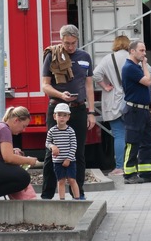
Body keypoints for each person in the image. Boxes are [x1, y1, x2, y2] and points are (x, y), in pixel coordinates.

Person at [40, 24, 96, 199]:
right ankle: (47, 195)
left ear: (77, 40)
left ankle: (78, 193)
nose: (70, 47)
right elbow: (45, 86)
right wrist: (60, 95)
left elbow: (88, 85)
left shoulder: (85, 57)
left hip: (78, 109)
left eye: (73, 43)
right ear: (61, 40)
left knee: (78, 151)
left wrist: (91, 112)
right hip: (57, 108)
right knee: (52, 151)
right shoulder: (52, 55)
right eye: (66, 43)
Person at [93, 35, 151, 176]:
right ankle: (138, 167)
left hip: (113, 100)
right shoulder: (134, 61)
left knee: (119, 135)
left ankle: (120, 167)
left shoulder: (108, 58)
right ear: (130, 47)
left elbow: (96, 74)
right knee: (136, 136)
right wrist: (142, 79)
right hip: (132, 100)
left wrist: (105, 86)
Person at [121, 40, 151, 184]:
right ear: (132, 51)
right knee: (132, 142)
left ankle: (146, 172)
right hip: (134, 110)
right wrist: (144, 64)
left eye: (144, 50)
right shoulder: (130, 67)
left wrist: (142, 64)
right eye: (141, 50)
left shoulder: (135, 66)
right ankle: (129, 173)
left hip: (143, 110)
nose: (144, 53)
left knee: (146, 142)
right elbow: (147, 81)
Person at [0, 106, 39, 199]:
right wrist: (29, 161)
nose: (23, 130)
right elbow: (8, 158)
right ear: (16, 120)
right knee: (23, 178)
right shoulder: (4, 129)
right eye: (24, 126)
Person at [46, 103, 80, 200]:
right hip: (57, 161)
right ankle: (62, 200)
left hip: (70, 161)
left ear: (68, 117)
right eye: (59, 115)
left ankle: (77, 198)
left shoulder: (70, 131)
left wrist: (68, 159)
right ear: (54, 116)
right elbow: (47, 143)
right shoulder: (52, 131)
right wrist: (52, 146)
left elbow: (74, 146)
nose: (62, 118)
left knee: (72, 179)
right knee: (61, 181)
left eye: (64, 115)